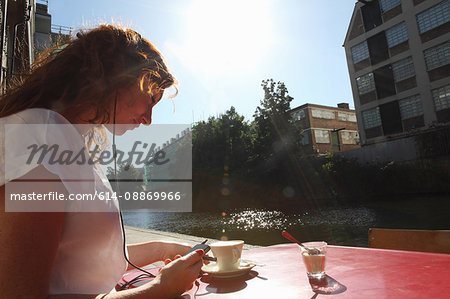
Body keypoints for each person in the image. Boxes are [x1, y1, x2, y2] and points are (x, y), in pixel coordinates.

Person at [0, 24, 204, 298]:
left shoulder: (67, 141)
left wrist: (163, 249)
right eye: (150, 99)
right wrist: (160, 288)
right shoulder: (37, 143)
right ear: (117, 78)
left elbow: (83, 259)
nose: (148, 119)